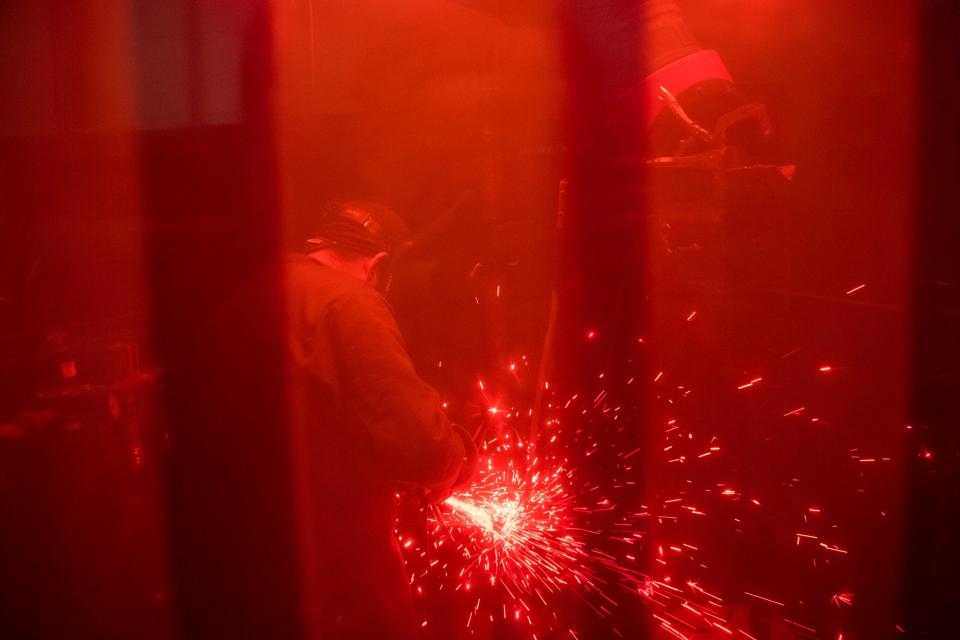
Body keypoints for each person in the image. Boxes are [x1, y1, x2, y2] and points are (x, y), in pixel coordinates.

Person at [285, 201, 479, 639]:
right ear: (378, 263)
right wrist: (459, 457)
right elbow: (420, 444)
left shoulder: (267, 285)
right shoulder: (349, 302)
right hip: (340, 557)